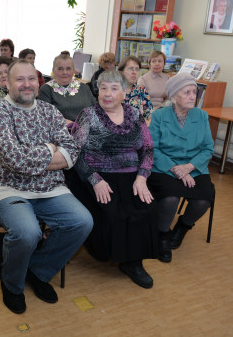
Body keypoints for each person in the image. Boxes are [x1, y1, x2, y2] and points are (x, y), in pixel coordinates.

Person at [0, 60, 93, 314]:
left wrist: (41, 156)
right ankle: (12, 284)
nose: (27, 84)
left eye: (32, 79)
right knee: (28, 231)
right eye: (20, 79)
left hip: (49, 187)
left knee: (82, 221)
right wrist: (51, 150)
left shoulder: (49, 111)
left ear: (39, 82)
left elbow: (72, 149)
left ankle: (38, 271)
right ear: (7, 83)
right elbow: (14, 160)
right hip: (5, 188)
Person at [70, 70, 158, 289]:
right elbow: (74, 152)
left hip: (131, 174)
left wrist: (142, 177)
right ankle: (117, 256)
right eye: (103, 88)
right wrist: (94, 179)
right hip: (95, 174)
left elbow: (147, 149)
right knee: (113, 213)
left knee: (145, 207)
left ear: (125, 91)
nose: (107, 94)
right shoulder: (88, 114)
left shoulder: (135, 115)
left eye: (114, 88)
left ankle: (133, 263)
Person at [147, 72, 214, 263]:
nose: (192, 96)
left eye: (194, 92)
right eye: (186, 92)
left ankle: (182, 228)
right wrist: (176, 168)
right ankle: (162, 235)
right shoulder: (159, 116)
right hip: (165, 166)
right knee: (170, 198)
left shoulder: (201, 116)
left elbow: (208, 148)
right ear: (174, 95)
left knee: (203, 199)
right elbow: (153, 148)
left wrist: (190, 166)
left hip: (194, 166)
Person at [38, 53, 96, 125]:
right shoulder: (46, 89)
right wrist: (71, 125)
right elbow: (44, 115)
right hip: (62, 131)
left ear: (74, 70)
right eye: (60, 69)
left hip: (88, 129)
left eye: (68, 69)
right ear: (53, 71)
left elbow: (95, 109)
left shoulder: (84, 87)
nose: (65, 72)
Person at [118, 56, 153, 120]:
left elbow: (149, 113)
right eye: (130, 69)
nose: (134, 72)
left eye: (137, 69)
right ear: (121, 71)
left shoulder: (142, 90)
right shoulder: (114, 90)